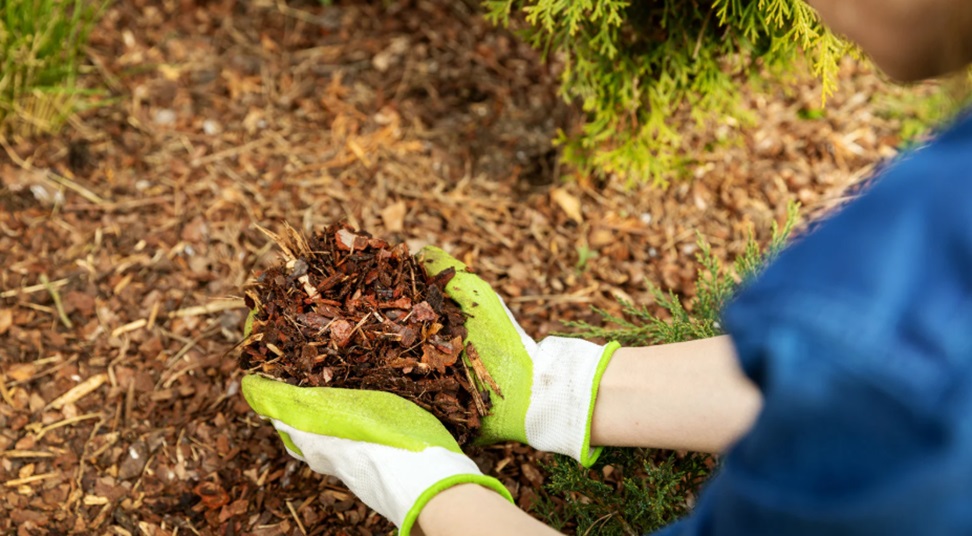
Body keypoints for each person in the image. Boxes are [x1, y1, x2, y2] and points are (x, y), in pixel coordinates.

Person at [241, 1, 972, 534]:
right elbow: (872, 387)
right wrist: (550, 389)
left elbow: (898, 378)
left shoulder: (913, 253)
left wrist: (419, 483)